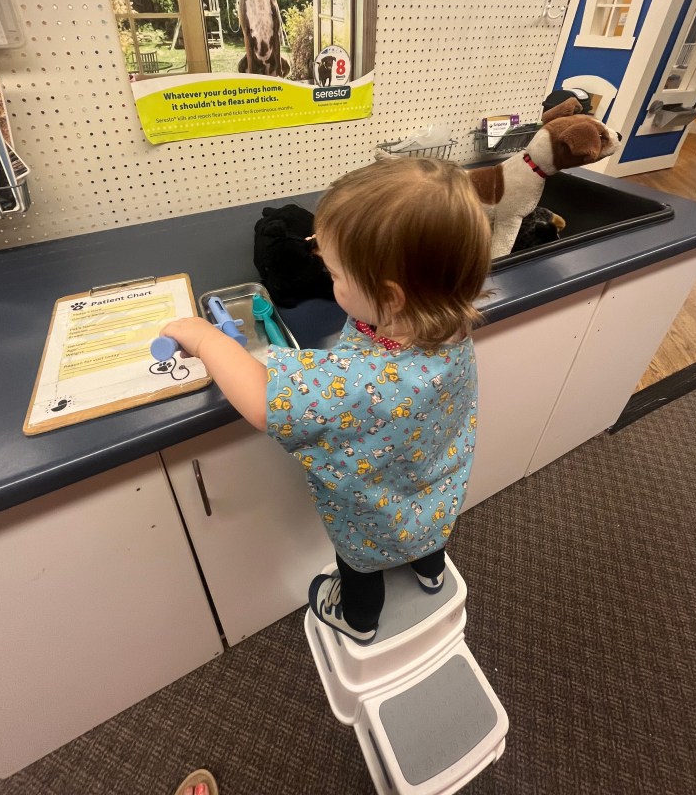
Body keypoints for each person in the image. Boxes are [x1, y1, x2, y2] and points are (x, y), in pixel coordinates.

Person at [160, 158, 491, 645]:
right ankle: (431, 574)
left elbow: (261, 399)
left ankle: (358, 617)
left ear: (390, 295)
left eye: (335, 274)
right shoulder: (448, 324)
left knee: (358, 565)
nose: (329, 281)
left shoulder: (355, 381)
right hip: (436, 490)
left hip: (371, 515)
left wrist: (208, 341)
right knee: (428, 533)